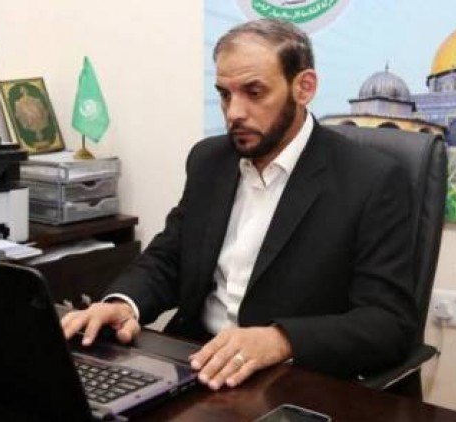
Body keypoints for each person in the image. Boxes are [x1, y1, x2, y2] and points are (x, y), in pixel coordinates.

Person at [62, 18, 417, 391]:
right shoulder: (209, 161)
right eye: (225, 94)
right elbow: (169, 259)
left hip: (288, 380)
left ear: (304, 87)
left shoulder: (371, 180)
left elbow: (389, 324)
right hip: (195, 363)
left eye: (254, 92)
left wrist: (281, 340)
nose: (234, 112)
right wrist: (123, 303)